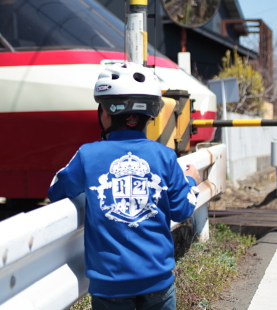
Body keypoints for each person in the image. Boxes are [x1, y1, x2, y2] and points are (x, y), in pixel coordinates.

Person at [48, 61, 201, 310]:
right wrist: (191, 180)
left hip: (110, 284)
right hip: (158, 280)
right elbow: (182, 210)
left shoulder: (87, 155)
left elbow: (57, 191)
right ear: (150, 116)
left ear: (105, 113)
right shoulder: (165, 156)